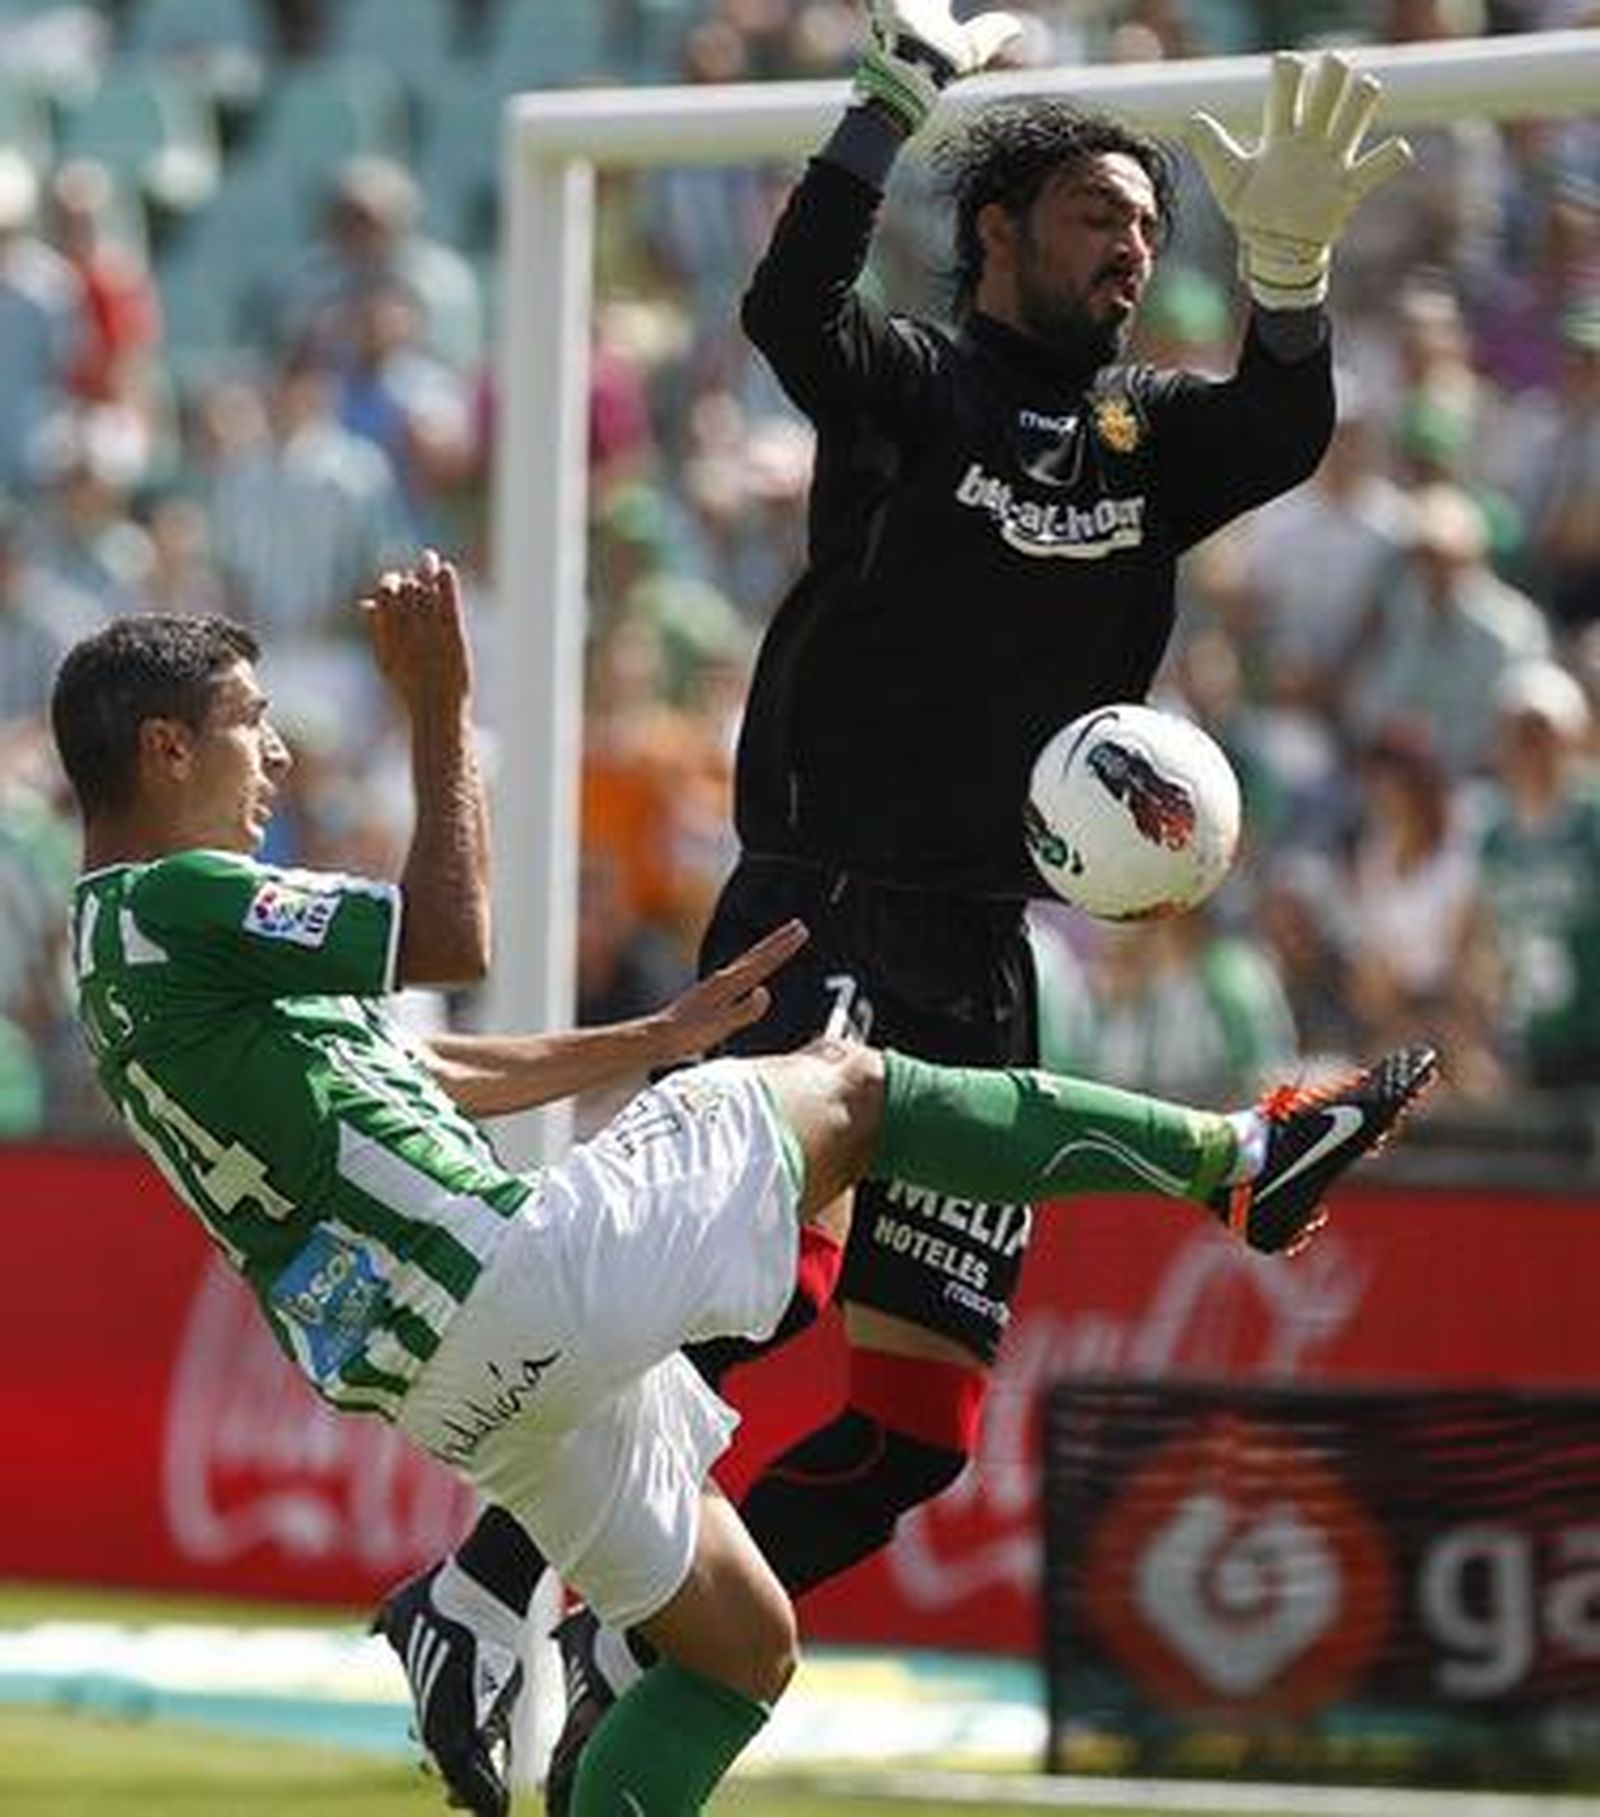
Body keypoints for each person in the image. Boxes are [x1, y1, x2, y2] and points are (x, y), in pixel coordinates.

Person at [378, 9, 1427, 1809]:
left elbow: (1281, 428)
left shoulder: (1142, 433)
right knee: (737, 1295)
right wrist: (881, 117)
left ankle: (612, 1648)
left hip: (982, 942)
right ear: (999, 228)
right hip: (828, 906)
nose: (1131, 246)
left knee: (914, 1430)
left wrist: (1292, 277)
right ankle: (476, 1586)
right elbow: (787, 311)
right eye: (1100, 213)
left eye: (1151, 230)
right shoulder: (915, 385)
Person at [48, 556, 1433, 1816]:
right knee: (853, 1088)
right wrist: (446, 701)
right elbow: (453, 930)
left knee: (738, 1651)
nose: (276, 751)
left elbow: (431, 1070)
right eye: (248, 723)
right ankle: (1239, 1165)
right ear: (166, 747)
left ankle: (474, 1595)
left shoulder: (127, 960)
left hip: (449, 1384)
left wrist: (643, 1043)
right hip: (522, 1273)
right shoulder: (175, 898)